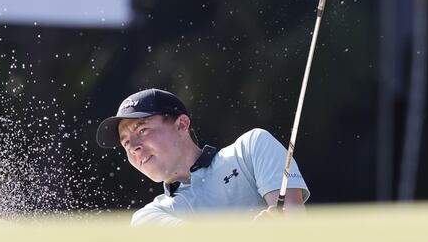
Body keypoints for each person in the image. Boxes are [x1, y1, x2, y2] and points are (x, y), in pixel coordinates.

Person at [96, 88, 309, 226]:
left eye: (141, 130)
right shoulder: (147, 217)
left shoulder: (251, 148)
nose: (132, 147)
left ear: (181, 124)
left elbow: (293, 223)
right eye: (125, 142)